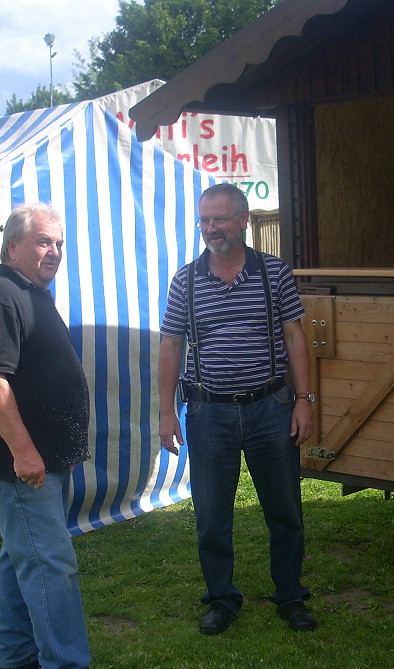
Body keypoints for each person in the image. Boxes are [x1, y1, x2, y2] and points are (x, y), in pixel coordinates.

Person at [158, 183, 317, 635]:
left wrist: (303, 401)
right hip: (209, 413)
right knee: (211, 515)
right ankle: (221, 599)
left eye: (219, 219)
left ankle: (290, 595)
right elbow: (171, 345)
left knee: (284, 510)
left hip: (270, 406)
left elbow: (295, 337)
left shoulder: (274, 272)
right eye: (204, 220)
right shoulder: (185, 281)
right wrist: (167, 412)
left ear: (243, 219)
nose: (210, 228)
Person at [0, 203, 91, 669]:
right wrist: (24, 453)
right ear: (11, 247)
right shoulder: (1, 298)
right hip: (18, 467)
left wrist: (58, 448)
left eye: (59, 243)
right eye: (43, 241)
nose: (54, 251)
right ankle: (65, 662)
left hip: (43, 460)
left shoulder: (32, 293)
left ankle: (18, 658)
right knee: (51, 564)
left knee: (22, 558)